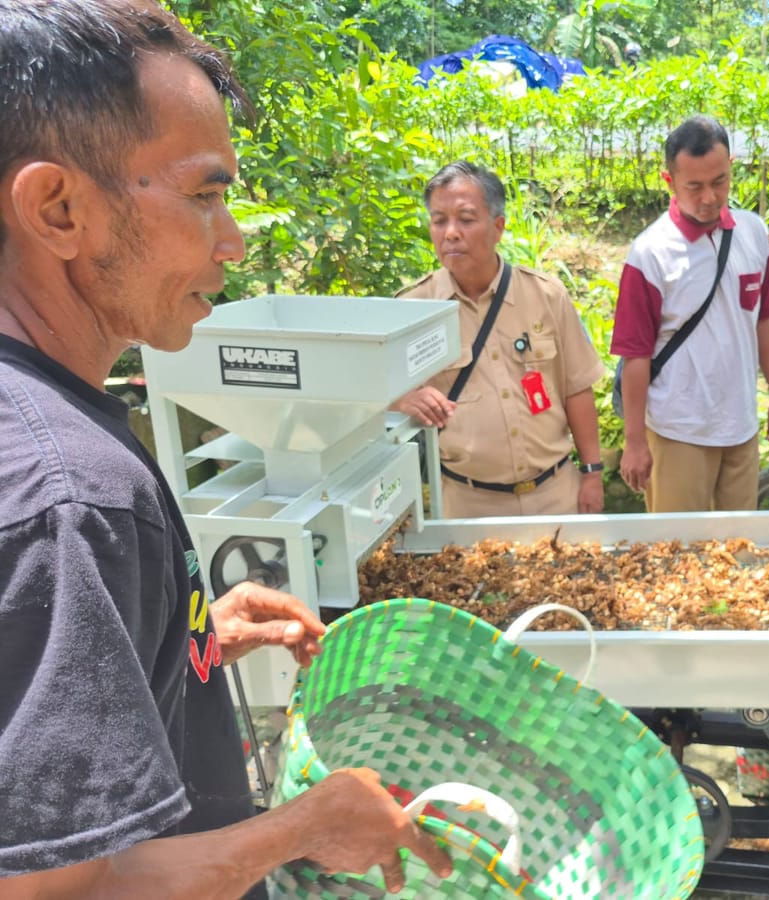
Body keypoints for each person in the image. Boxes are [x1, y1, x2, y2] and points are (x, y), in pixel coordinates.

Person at [0, 2, 451, 896]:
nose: (234, 242)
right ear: (58, 209)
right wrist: (304, 827)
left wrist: (183, 642)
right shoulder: (72, 500)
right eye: (205, 195)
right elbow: (64, 891)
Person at [392, 162, 607, 518]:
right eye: (439, 220)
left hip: (555, 494)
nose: (450, 233)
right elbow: (376, 400)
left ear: (498, 227)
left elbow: (576, 389)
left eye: (466, 219)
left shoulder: (546, 296)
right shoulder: (413, 310)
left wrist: (593, 474)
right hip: (467, 503)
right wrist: (403, 400)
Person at [611, 116, 769, 512]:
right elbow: (635, 355)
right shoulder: (650, 253)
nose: (709, 197)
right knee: (678, 552)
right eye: (694, 186)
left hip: (740, 427)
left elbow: (765, 318)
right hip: (678, 430)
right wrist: (635, 441)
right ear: (669, 181)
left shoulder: (753, 233)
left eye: (720, 182)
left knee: (737, 548)